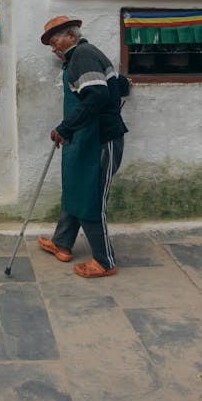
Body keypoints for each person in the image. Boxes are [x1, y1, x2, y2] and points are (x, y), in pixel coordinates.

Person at [37, 15, 129, 278]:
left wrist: (65, 128)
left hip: (102, 141)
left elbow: (97, 96)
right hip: (86, 138)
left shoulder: (83, 55)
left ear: (71, 37)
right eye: (51, 45)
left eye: (55, 42)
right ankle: (62, 243)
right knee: (76, 189)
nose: (53, 48)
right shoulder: (80, 57)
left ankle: (105, 261)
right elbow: (114, 87)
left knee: (90, 197)